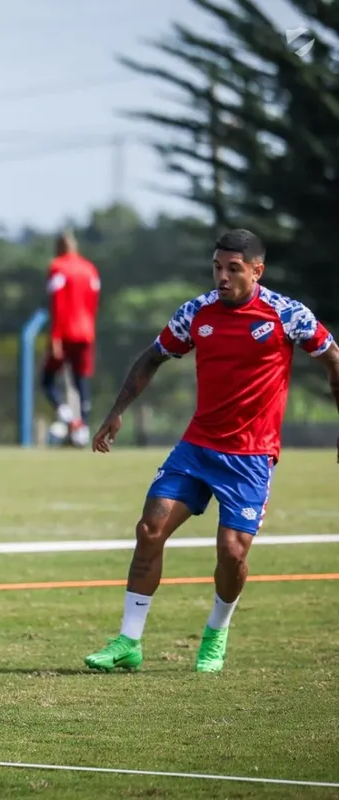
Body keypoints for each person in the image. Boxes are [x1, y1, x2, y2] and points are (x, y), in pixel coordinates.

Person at [85, 229, 339, 674]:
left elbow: (333, 357)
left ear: (256, 271)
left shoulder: (286, 315)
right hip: (197, 448)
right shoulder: (196, 312)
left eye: (233, 269)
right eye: (216, 267)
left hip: (252, 457)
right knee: (149, 530)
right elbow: (152, 356)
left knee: (232, 553)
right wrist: (117, 410)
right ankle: (128, 642)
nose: (222, 277)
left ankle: (216, 633)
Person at [41, 230, 100, 446]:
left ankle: (67, 418)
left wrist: (54, 336)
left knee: (47, 380)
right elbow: (94, 302)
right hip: (86, 332)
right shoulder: (90, 269)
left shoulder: (57, 267)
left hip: (65, 332)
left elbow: (57, 303)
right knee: (81, 380)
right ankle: (82, 427)